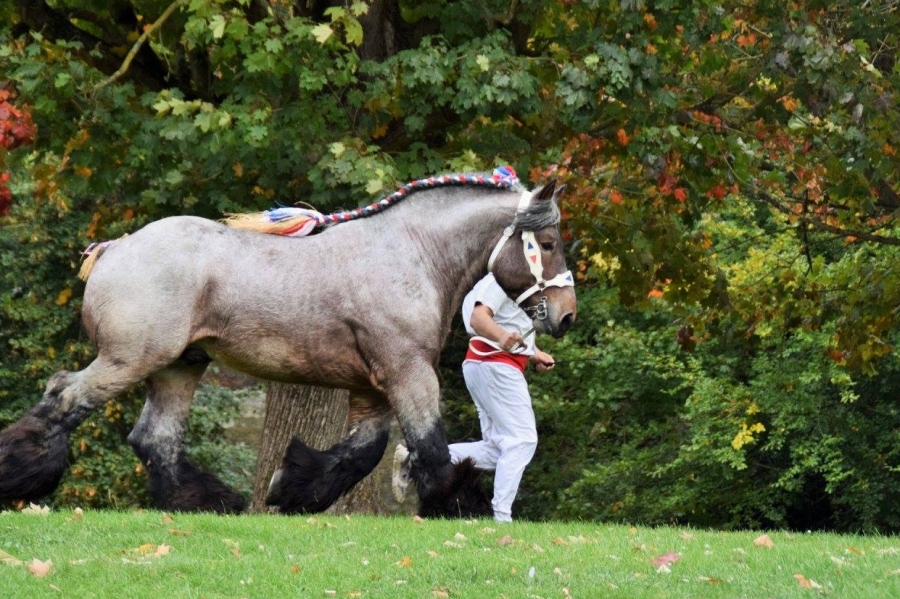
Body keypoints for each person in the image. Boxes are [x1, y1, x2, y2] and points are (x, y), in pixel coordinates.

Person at [393, 272, 555, 522]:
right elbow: (479, 319)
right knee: (522, 441)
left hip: (485, 365)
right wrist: (504, 339)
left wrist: (533, 353)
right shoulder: (506, 277)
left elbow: (508, 322)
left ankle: (419, 457)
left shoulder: (515, 278)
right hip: (496, 366)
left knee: (496, 449)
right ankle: (502, 517)